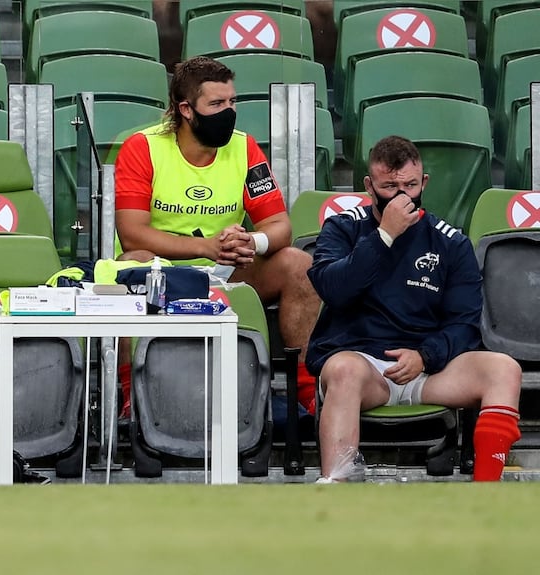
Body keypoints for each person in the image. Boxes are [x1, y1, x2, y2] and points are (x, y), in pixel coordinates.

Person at [114, 55, 322, 416]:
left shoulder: (244, 147)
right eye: (216, 104)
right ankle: (130, 395)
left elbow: (280, 227)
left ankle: (307, 391)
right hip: (161, 270)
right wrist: (205, 247)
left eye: (232, 102)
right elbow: (132, 234)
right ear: (186, 109)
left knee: (299, 264)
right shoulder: (142, 147)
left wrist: (249, 242)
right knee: (135, 263)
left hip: (227, 270)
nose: (228, 111)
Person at [307, 135, 522, 482]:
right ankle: (337, 490)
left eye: (409, 184)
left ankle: (487, 492)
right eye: (389, 186)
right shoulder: (343, 228)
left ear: (424, 183)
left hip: (428, 369)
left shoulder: (450, 242)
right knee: (344, 370)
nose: (401, 195)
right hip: (364, 369)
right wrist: (384, 236)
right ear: (369, 186)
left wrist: (424, 356)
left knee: (503, 369)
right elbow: (334, 290)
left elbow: (465, 324)